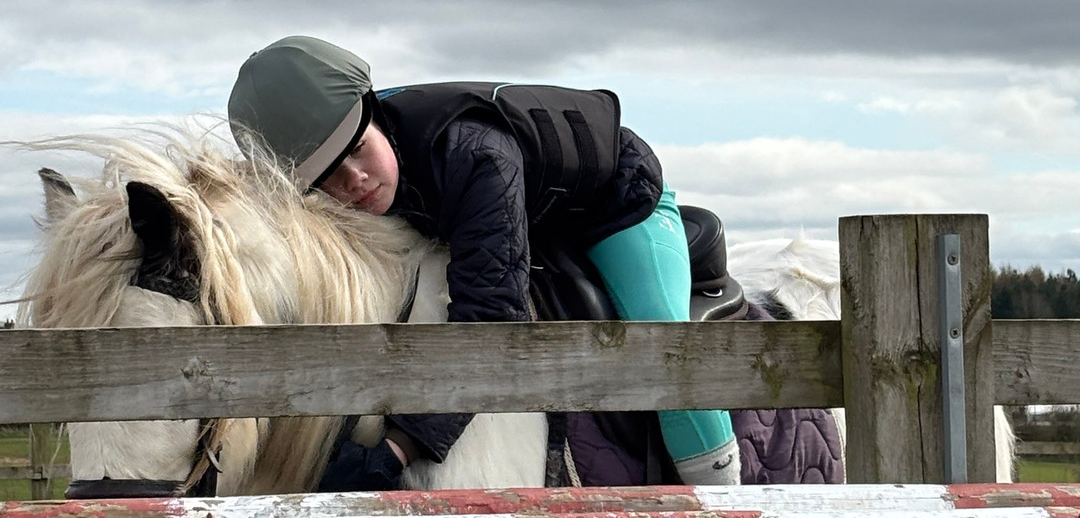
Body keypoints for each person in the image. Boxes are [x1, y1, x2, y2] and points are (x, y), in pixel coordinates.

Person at [227, 35, 739, 490]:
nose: (356, 180)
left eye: (359, 150)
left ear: (371, 114)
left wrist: (399, 448)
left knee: (667, 352)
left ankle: (726, 492)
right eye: (328, 179)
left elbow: (492, 321)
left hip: (618, 204)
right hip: (511, 204)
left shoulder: (472, 153)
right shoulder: (366, 156)